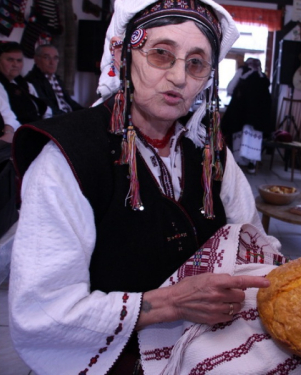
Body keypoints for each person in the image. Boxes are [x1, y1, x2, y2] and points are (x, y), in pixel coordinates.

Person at [9, 1, 281, 373]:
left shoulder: (211, 151)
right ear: (122, 53)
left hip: (205, 352)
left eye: (196, 63)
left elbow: (255, 252)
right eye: (161, 54)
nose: (179, 77)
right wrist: (169, 303)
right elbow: (43, 312)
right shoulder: (68, 158)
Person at [221, 58, 273, 174]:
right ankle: (251, 165)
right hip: (256, 118)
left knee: (240, 139)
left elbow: (230, 88)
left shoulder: (243, 73)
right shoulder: (262, 77)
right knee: (253, 140)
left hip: (241, 116)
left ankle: (237, 165)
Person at [0, 42, 51, 127]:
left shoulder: (24, 83)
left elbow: (43, 108)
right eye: (10, 60)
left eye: (19, 60)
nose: (15, 65)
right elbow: (7, 117)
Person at [25, 44, 84, 116]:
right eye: (46, 58)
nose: (52, 63)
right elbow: (49, 108)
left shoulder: (56, 79)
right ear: (36, 59)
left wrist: (86, 112)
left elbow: (69, 102)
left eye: (55, 58)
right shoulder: (32, 81)